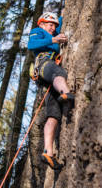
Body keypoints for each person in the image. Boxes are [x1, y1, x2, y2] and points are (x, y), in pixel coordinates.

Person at [28, 12, 74, 170]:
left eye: (54, 25)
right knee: (58, 72)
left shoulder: (52, 30)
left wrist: (61, 16)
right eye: (49, 24)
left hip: (47, 82)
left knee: (53, 115)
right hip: (44, 64)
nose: (53, 27)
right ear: (41, 24)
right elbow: (31, 44)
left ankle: (48, 151)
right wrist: (53, 39)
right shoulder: (38, 31)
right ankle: (66, 93)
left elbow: (60, 22)